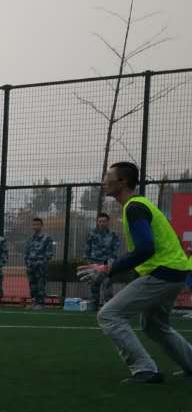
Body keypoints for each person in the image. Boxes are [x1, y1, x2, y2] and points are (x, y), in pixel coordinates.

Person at [78, 161, 192, 384]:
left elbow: (145, 249)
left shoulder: (134, 207)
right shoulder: (138, 205)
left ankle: (145, 369)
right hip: (175, 272)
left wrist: (107, 269)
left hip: (163, 273)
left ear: (122, 182)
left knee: (109, 314)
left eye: (108, 176)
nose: (103, 181)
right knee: (154, 325)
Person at [84, 211, 120, 309]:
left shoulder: (113, 235)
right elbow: (87, 248)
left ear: (108, 222)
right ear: (97, 222)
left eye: (104, 221)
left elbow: (115, 249)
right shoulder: (91, 234)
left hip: (107, 264)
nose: (102, 223)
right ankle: (94, 306)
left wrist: (111, 262)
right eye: (100, 221)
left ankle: (108, 307)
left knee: (107, 285)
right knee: (94, 286)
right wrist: (88, 261)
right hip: (94, 263)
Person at [24, 217, 56, 308]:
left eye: (37, 224)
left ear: (41, 226)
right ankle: (34, 302)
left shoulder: (47, 238)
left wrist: (42, 262)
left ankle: (40, 303)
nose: (35, 226)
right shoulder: (30, 238)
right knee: (32, 285)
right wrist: (27, 263)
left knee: (40, 285)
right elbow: (27, 252)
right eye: (34, 224)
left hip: (41, 267)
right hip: (31, 266)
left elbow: (49, 253)